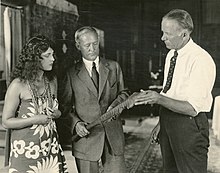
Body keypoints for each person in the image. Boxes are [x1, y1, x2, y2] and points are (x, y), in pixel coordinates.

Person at [135, 9, 216, 173]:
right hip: (168, 121)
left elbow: (193, 108)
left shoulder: (200, 60)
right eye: (162, 32)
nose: (162, 37)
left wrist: (158, 99)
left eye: (167, 33)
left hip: (190, 127)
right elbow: (169, 91)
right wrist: (161, 123)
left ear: (184, 35)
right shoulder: (171, 54)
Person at [59, 26, 129, 173]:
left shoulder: (114, 67)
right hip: (86, 139)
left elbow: (124, 93)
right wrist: (76, 124)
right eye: (87, 45)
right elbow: (65, 108)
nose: (92, 49)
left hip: (113, 137)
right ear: (78, 46)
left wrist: (116, 105)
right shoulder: (71, 74)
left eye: (95, 44)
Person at [2, 35, 68, 172]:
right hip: (25, 149)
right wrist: (35, 119)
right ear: (35, 59)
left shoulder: (52, 80)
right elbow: (6, 122)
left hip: (50, 146)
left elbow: (58, 110)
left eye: (53, 54)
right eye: (48, 55)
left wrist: (57, 113)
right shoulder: (18, 85)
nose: (53, 59)